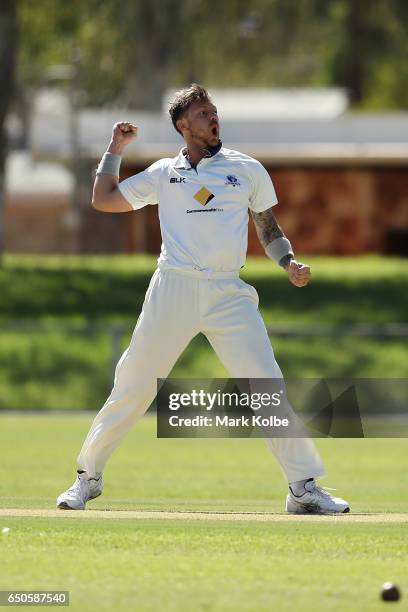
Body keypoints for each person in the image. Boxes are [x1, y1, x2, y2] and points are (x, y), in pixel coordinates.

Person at [57, 84, 349, 514]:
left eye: (215, 111)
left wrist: (288, 262)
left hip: (228, 292)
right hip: (172, 287)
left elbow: (268, 229)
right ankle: (87, 478)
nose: (214, 118)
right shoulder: (163, 174)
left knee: (266, 386)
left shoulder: (246, 169)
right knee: (133, 384)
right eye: (204, 113)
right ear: (183, 125)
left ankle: (302, 488)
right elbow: (103, 200)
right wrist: (115, 148)